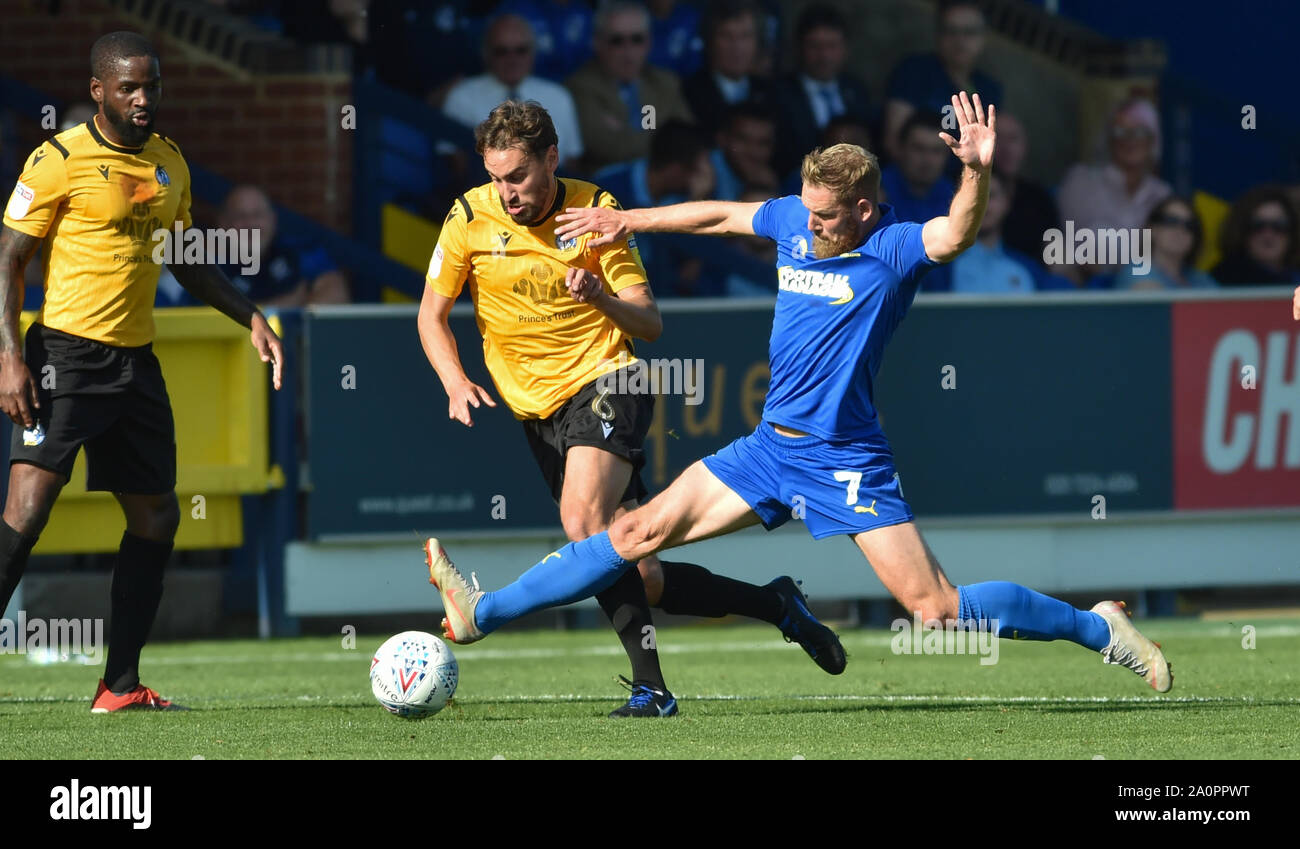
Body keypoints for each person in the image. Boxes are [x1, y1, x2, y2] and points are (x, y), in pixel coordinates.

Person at [424, 93, 1175, 698]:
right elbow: (719, 214)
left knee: (936, 610)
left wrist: (975, 170)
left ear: (864, 212)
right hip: (769, 448)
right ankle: (479, 613)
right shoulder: (793, 220)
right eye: (805, 212)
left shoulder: (893, 249)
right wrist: (628, 219)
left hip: (846, 459)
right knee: (633, 534)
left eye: (823, 218)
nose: (807, 227)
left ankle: (1096, 626)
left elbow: (956, 233)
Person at [417, 100, 845, 718]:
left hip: (607, 380)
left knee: (583, 522)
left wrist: (600, 297)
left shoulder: (597, 213)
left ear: (551, 159)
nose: (506, 193)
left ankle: (651, 691)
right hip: (536, 410)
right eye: (496, 178)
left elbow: (649, 321)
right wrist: (454, 379)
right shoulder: (468, 215)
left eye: (518, 176)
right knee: (635, 568)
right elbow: (431, 317)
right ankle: (777, 605)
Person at [0, 32, 284, 711]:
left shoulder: (169, 163)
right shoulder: (58, 159)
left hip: (135, 363)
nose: (144, 98)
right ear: (99, 91)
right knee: (27, 509)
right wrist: (10, 356)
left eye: (152, 85)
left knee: (157, 515)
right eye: (129, 87)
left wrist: (248, 314)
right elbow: (7, 259)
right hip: (64, 356)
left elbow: (183, 255)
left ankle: (118, 685)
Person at [442, 14, 584, 170]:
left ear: (533, 52)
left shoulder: (558, 96)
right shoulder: (462, 96)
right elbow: (455, 162)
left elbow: (572, 161)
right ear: (486, 53)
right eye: (501, 51)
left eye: (521, 50)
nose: (512, 59)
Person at [565, 0, 693, 173]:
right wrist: (661, 134)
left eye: (637, 39)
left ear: (648, 42)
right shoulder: (580, 87)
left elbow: (687, 139)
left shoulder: (665, 83)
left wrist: (624, 132)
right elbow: (608, 149)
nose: (628, 50)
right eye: (617, 41)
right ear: (598, 43)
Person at [1056, 98, 1171, 281]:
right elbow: (1084, 250)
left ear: (1153, 140)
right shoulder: (1081, 181)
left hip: (1147, 284)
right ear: (1109, 139)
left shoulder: (1163, 194)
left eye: (1139, 131)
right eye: (1120, 131)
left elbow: (1170, 254)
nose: (1130, 139)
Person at [882, 0, 1002, 163]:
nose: (959, 40)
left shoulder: (989, 89)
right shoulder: (914, 72)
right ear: (938, 35)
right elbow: (893, 142)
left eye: (969, 32)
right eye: (951, 31)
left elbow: (988, 151)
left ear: (983, 38)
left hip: (966, 179)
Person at [770, 3, 874, 176]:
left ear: (845, 48)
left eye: (832, 46)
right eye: (815, 46)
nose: (824, 56)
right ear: (799, 47)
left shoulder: (856, 91)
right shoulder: (779, 94)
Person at [219, 185, 349, 307]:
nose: (250, 224)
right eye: (240, 216)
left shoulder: (297, 250)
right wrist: (292, 301)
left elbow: (335, 292)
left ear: (273, 219)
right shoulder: (211, 260)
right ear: (223, 223)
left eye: (257, 215)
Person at [682, 0, 774, 136]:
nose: (737, 47)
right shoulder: (688, 93)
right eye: (726, 36)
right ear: (709, 41)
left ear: (758, 42)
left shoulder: (770, 92)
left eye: (745, 36)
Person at [991, 112, 1061, 268]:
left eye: (1013, 139)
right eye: (997, 139)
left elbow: (1057, 258)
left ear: (1024, 146)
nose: (1006, 148)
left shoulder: (1039, 198)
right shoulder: (962, 193)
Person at [1113, 196, 1217, 290]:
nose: (1180, 230)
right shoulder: (1138, 271)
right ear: (1152, 229)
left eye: (1189, 225)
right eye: (1171, 221)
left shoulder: (1201, 279)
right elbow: (1155, 303)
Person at [1211, 186, 1300, 287]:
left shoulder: (1295, 274)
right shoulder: (1221, 280)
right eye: (1258, 225)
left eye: (1279, 225)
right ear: (1241, 231)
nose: (1268, 234)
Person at [880, 112, 954, 224]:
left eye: (936, 151)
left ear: (947, 154)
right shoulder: (876, 189)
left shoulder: (954, 194)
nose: (928, 160)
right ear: (901, 148)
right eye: (919, 148)